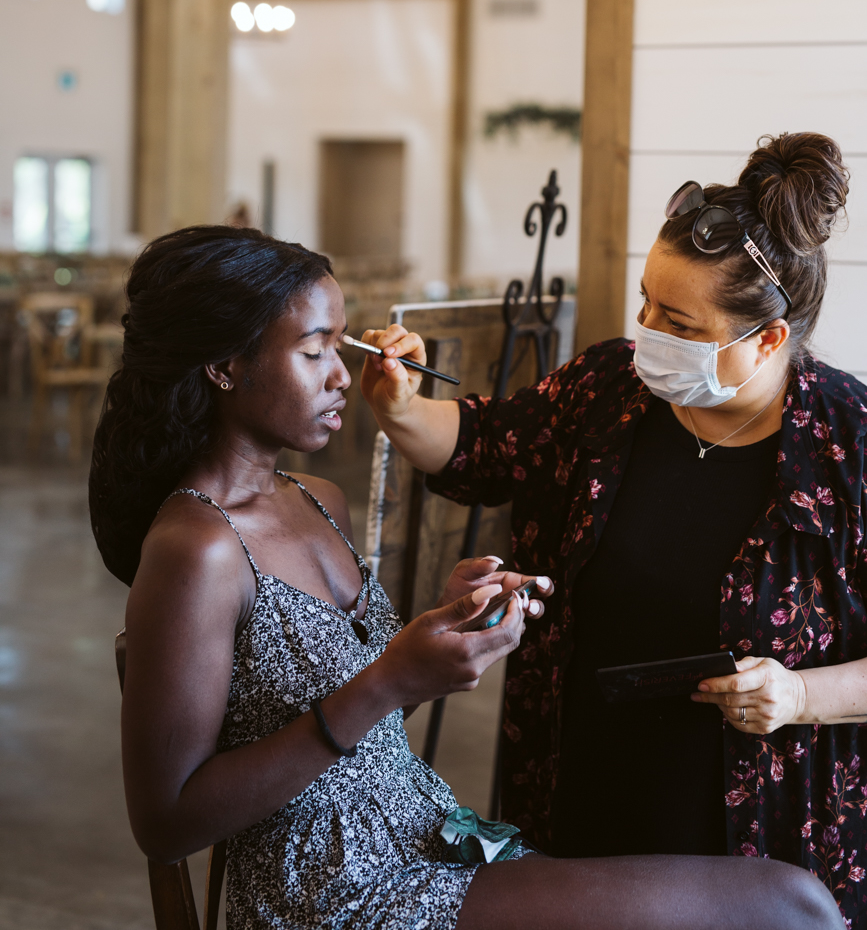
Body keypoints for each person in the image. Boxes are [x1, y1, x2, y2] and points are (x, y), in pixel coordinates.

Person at [89, 225, 841, 930]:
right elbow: (166, 822)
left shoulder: (320, 501)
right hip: (333, 887)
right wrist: (389, 680)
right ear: (223, 365)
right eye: (315, 351)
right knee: (786, 905)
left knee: (791, 900)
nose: (341, 378)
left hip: (428, 833)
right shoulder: (197, 549)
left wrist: (444, 627)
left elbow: (355, 729)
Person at [361, 132, 867, 927]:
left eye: (679, 322)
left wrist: (800, 693)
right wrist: (397, 406)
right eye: (645, 303)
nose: (647, 332)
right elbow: (479, 447)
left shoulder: (850, 444)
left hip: (763, 821)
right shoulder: (607, 388)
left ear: (766, 338)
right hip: (580, 780)